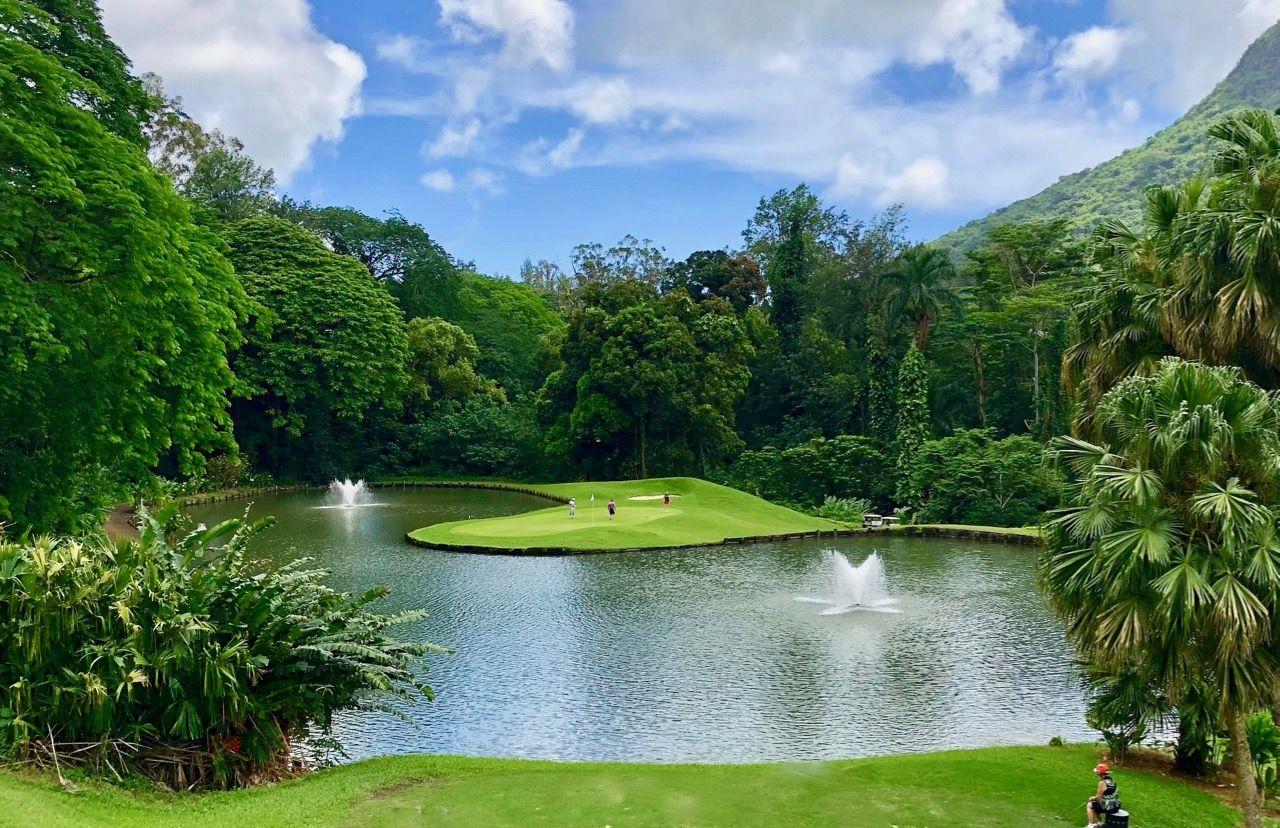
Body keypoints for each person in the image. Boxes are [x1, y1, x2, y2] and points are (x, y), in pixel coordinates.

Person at [1085, 763, 1120, 827]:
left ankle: (1090, 825)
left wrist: (1092, 798)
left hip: (1108, 806)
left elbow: (1099, 798)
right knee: (1095, 805)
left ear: (1099, 773)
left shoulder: (1102, 782)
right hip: (1116, 805)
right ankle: (1099, 823)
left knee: (1090, 805)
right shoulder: (1112, 780)